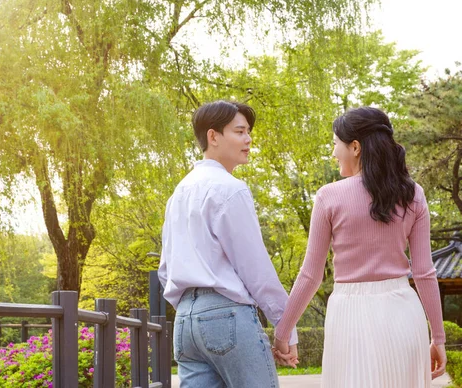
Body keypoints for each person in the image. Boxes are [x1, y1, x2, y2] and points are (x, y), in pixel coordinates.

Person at [273, 107, 447, 387]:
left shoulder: (329, 197)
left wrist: (283, 332)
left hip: (349, 315)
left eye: (335, 144)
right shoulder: (412, 194)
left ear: (355, 147)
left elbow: (311, 275)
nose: (333, 153)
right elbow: (424, 272)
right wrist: (438, 337)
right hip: (404, 313)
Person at [158, 100, 298, 388]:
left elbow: (165, 269)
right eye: (239, 131)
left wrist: (191, 306)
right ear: (213, 136)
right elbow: (255, 268)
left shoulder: (178, 194)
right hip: (227, 314)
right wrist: (286, 328)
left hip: (185, 321)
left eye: (248, 132)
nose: (248, 139)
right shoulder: (230, 189)